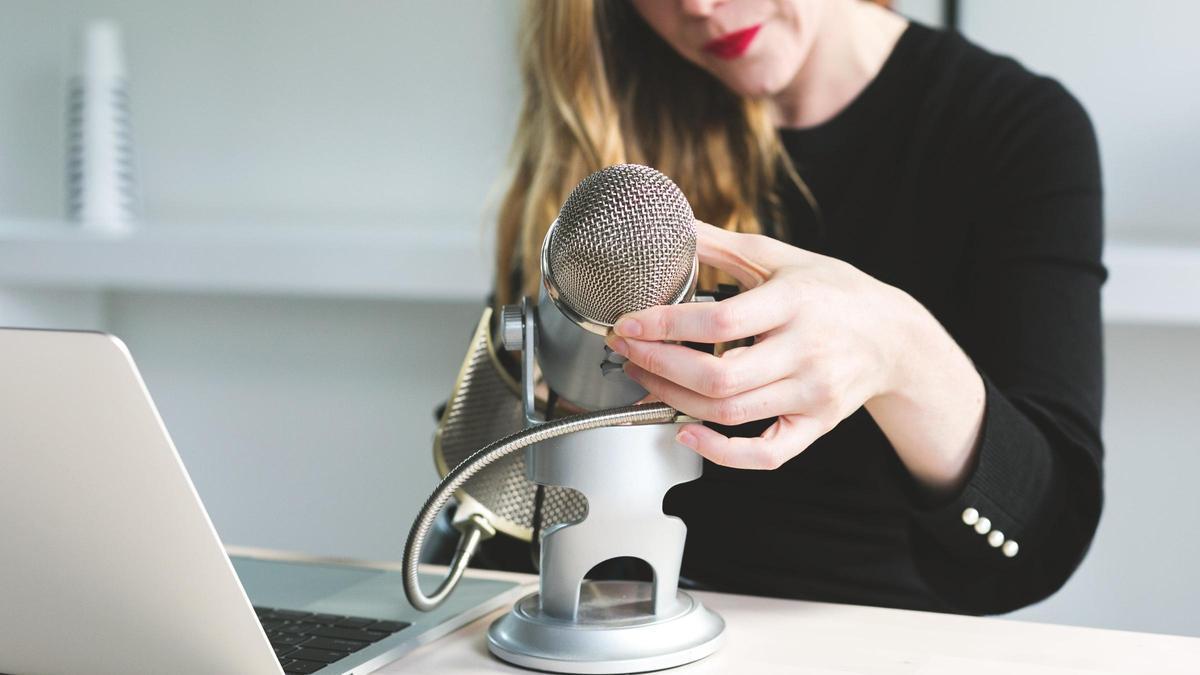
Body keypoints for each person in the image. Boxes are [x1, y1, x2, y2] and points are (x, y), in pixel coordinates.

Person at [481, 0, 1104, 615]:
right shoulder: (600, 112)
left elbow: (1040, 541)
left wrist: (900, 351)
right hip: (605, 624)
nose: (698, 6)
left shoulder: (1015, 127)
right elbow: (490, 502)